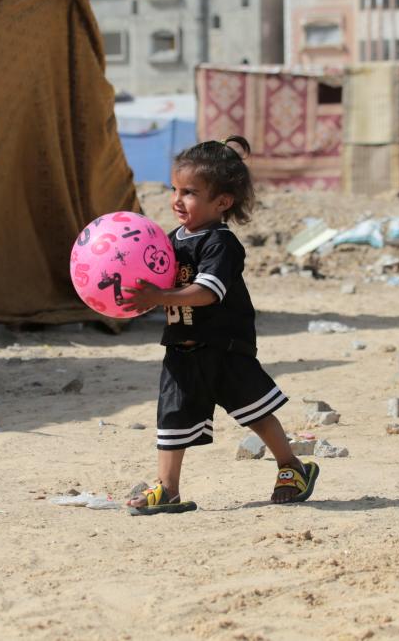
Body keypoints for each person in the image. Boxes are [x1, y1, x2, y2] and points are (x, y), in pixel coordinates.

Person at [121, 136, 319, 515]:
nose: (178, 199)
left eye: (190, 192)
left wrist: (158, 297)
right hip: (182, 344)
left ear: (222, 202)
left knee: (255, 411)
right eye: (174, 189)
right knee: (172, 416)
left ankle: (293, 467)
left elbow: (205, 293)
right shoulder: (169, 241)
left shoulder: (221, 244)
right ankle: (167, 489)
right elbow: (156, 281)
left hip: (224, 345)